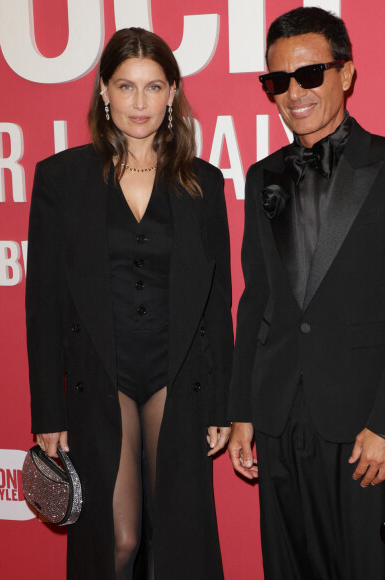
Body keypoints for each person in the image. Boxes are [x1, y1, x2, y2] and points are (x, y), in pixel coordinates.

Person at [228, 7, 385, 579]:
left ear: (345, 74)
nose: (293, 94)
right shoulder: (261, 175)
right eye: (277, 81)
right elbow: (256, 302)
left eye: (310, 75)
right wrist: (243, 411)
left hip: (362, 428)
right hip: (278, 419)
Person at [26, 27, 233, 580]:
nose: (138, 103)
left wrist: (224, 403)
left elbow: (218, 302)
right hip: (101, 377)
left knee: (177, 547)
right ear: (103, 92)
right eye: (125, 86)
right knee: (116, 541)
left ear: (172, 94)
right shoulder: (60, 179)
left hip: (178, 376)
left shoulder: (203, 183)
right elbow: (42, 304)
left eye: (153, 87)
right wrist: (48, 411)